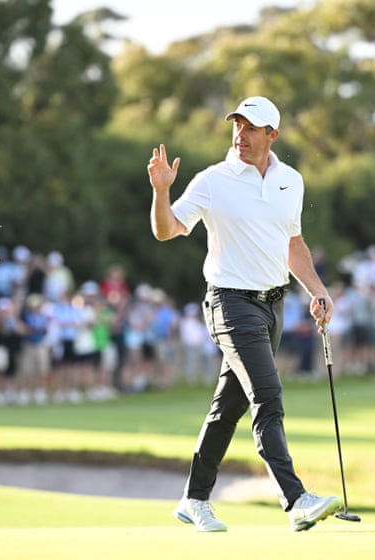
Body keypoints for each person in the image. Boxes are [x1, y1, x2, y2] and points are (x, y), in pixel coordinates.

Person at [146, 96, 341, 532]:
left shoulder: (291, 181)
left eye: (251, 128)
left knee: (227, 408)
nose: (241, 134)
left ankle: (194, 499)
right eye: (237, 125)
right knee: (268, 397)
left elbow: (293, 244)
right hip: (230, 303)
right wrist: (161, 191)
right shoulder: (212, 180)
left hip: (274, 305)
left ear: (272, 135)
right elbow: (166, 230)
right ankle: (296, 500)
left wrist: (318, 290)